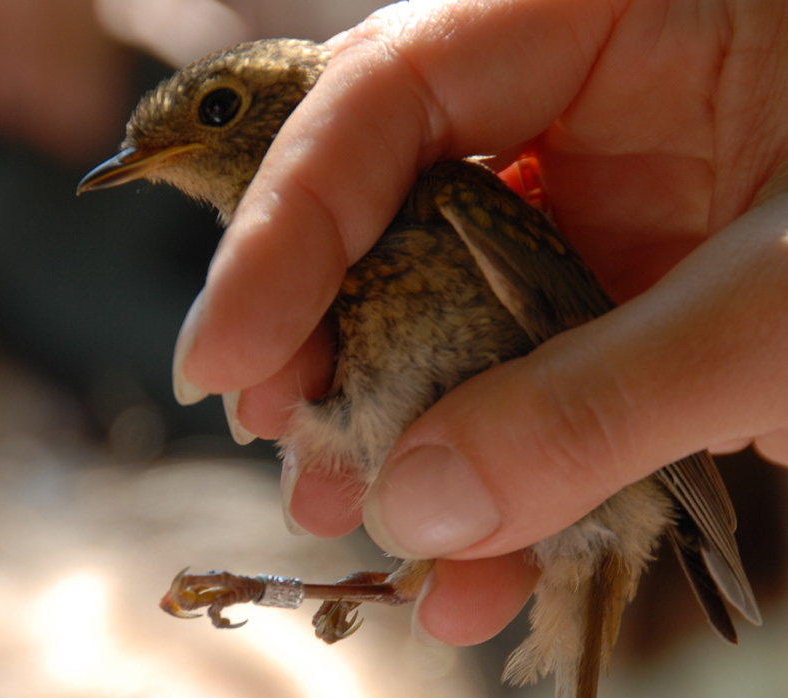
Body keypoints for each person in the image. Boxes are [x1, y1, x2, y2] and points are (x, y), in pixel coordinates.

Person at [169, 0, 788, 646]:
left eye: (219, 110)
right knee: (424, 561)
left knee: (432, 547)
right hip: (530, 505)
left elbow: (604, 353)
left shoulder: (451, 201)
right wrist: (257, 587)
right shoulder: (323, 280)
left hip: (615, 499)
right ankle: (266, 593)